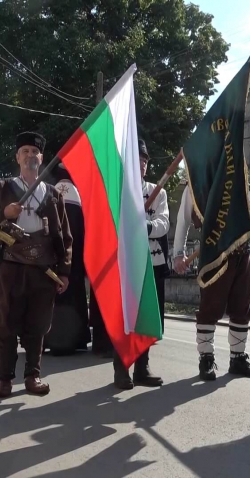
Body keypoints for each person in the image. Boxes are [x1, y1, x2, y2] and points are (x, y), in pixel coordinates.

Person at [0, 131, 72, 398]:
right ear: (17, 157)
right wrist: (4, 214)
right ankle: (4, 379)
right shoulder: (3, 188)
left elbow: (65, 236)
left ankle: (33, 376)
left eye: (35, 152)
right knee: (6, 324)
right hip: (12, 266)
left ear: (42, 158)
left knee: (39, 325)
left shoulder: (53, 194)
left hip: (44, 269)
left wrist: (64, 272)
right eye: (25, 152)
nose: (30, 156)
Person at [173, 183, 250, 381]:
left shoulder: (238, 177)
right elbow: (183, 219)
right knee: (210, 308)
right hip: (214, 254)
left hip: (241, 251)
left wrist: (245, 208)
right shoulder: (197, 180)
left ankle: (237, 359)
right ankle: (206, 359)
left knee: (242, 307)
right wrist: (179, 253)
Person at [113, 139, 167, 389]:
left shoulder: (158, 191)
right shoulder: (120, 192)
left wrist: (145, 225)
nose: (142, 165)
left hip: (152, 263)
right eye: (137, 161)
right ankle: (121, 368)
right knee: (126, 319)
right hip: (127, 265)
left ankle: (142, 368)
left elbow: (163, 223)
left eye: (145, 161)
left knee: (147, 318)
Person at [46, 163, 90, 355]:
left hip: (54, 257)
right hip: (76, 257)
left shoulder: (51, 193)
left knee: (53, 296)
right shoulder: (79, 196)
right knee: (74, 294)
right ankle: (76, 340)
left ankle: (51, 339)